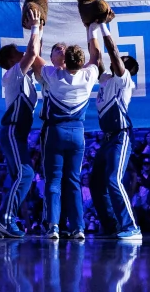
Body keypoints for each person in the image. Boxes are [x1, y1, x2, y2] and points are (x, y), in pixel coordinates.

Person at [27, 19, 102, 239]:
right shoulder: (87, 75)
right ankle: (75, 227)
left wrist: (36, 27)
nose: (61, 50)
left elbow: (33, 53)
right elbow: (96, 57)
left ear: (66, 58)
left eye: (63, 49)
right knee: (69, 180)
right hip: (76, 133)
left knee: (56, 180)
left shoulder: (50, 75)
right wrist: (92, 28)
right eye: (57, 49)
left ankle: (56, 227)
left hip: (57, 131)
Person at [88, 22, 142, 240]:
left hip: (121, 135)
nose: (118, 61)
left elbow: (111, 52)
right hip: (107, 139)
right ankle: (112, 226)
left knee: (114, 179)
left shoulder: (123, 79)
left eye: (122, 61)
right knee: (95, 182)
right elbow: (97, 56)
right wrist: (90, 27)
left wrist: (103, 26)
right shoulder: (106, 79)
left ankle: (131, 227)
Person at [0, 19, 42, 239]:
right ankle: (5, 220)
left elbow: (35, 53)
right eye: (17, 52)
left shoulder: (26, 77)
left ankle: (3, 221)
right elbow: (32, 53)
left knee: (18, 178)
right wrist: (35, 27)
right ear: (10, 60)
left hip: (18, 133)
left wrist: (40, 29)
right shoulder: (12, 74)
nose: (22, 53)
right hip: (12, 130)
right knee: (26, 173)